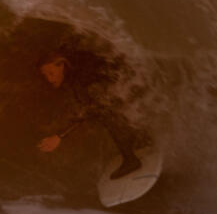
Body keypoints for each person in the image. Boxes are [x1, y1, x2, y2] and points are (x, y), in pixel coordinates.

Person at [37, 49, 145, 179]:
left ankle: (131, 160)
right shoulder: (73, 69)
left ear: (61, 66)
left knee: (105, 113)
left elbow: (90, 109)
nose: (49, 79)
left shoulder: (81, 79)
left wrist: (59, 136)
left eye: (51, 73)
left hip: (129, 77)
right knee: (106, 108)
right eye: (45, 75)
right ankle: (140, 138)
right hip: (128, 74)